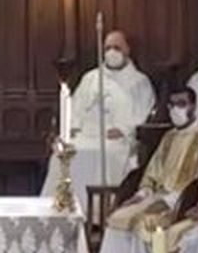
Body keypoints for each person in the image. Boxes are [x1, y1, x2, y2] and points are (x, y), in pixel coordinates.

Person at [94, 109, 198, 253]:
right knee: (119, 216)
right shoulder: (171, 138)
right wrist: (141, 194)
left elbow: (196, 188)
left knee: (143, 224)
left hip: (182, 203)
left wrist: (183, 204)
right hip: (160, 195)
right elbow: (152, 173)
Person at [41, 30, 156, 196]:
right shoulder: (91, 78)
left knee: (107, 156)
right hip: (86, 135)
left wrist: (124, 129)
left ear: (127, 50)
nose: (112, 52)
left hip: (115, 140)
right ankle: (63, 205)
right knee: (63, 154)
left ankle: (100, 209)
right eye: (108, 47)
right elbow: (76, 107)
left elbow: (144, 113)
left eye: (117, 47)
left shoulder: (139, 82)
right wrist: (73, 126)